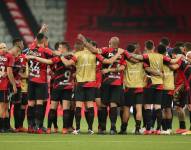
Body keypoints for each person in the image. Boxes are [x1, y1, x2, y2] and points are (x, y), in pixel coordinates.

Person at [0, 42, 16, 132]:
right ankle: (2, 127)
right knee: (3, 107)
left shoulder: (8, 56)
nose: (4, 49)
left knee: (6, 106)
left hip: (4, 86)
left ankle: (5, 126)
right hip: (4, 86)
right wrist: (14, 85)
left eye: (5, 47)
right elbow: (9, 72)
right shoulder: (9, 57)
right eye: (2, 48)